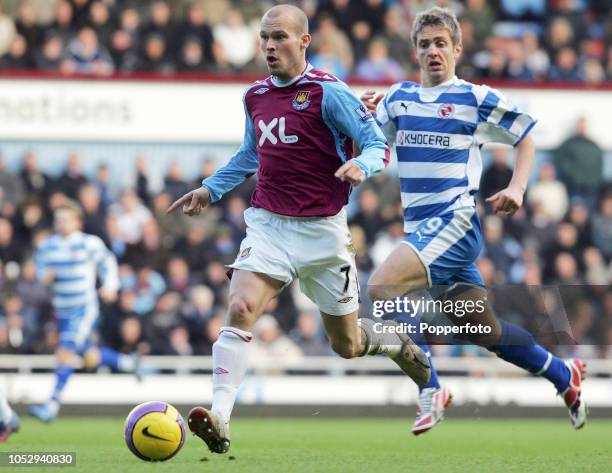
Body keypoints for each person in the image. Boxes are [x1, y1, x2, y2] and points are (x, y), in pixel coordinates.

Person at [167, 3, 430, 455]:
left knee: (347, 344)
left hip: (323, 232)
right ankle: (220, 417)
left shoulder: (330, 92)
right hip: (268, 224)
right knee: (241, 308)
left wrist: (360, 166)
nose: (270, 45)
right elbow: (251, 155)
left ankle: (392, 343)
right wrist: (210, 190)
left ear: (304, 41)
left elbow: (376, 145)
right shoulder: (255, 96)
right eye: (265, 37)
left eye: (280, 37)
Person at [360, 6, 586, 432]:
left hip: (455, 225)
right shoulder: (398, 98)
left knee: (380, 288)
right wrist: (359, 110)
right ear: (414, 51)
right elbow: (369, 140)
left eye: (441, 43)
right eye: (424, 44)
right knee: (487, 332)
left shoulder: (474, 98)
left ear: (457, 49)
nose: (433, 51)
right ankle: (563, 374)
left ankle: (431, 387)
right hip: (424, 237)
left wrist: (518, 188)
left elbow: (526, 139)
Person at [30, 201, 140, 422]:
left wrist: (110, 286)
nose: (61, 223)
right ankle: (128, 363)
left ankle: (51, 404)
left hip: (84, 307)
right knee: (90, 356)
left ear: (77, 222)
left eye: (66, 219)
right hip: (61, 310)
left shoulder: (88, 243)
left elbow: (108, 262)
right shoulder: (47, 246)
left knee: (65, 351)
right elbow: (40, 272)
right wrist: (44, 277)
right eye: (58, 219)